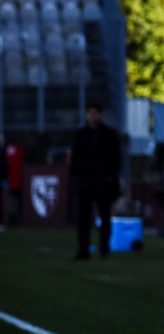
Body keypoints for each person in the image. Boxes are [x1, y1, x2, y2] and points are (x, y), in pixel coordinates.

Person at [70, 103, 122, 260]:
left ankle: (104, 249)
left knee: (105, 216)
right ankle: (83, 249)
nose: (93, 116)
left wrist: (111, 177)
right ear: (87, 114)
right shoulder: (81, 135)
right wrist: (78, 175)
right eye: (90, 113)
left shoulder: (109, 134)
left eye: (95, 113)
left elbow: (116, 157)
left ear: (100, 115)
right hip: (85, 180)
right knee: (83, 217)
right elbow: (75, 156)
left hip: (102, 180)